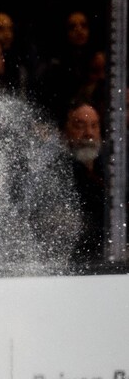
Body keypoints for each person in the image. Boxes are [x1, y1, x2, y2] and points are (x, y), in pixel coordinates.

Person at [61, 100, 106, 266]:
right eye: (80, 126)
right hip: (76, 264)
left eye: (94, 126)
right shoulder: (58, 173)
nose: (89, 133)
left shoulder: (112, 171)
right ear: (65, 132)